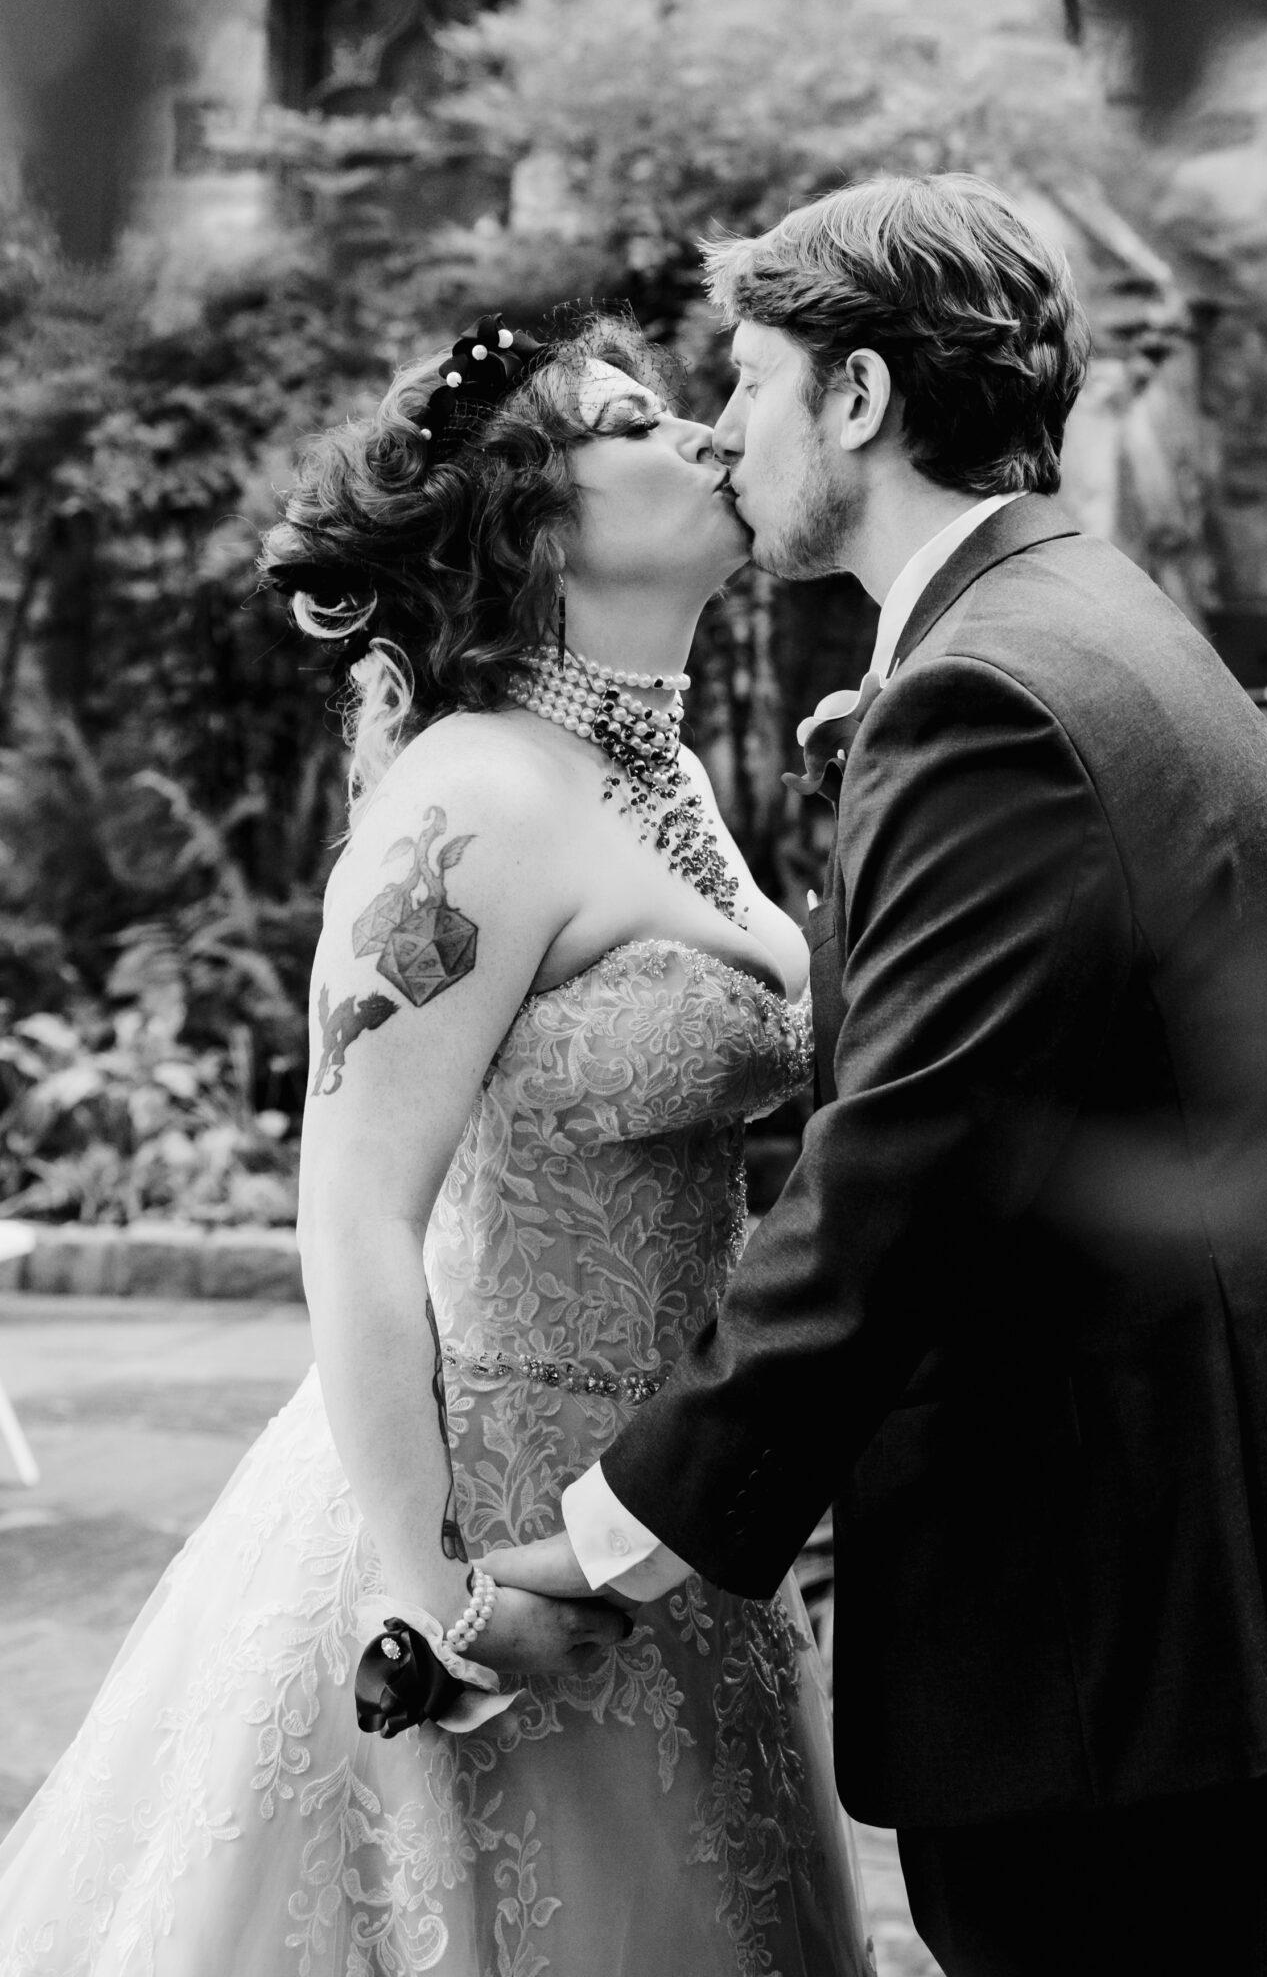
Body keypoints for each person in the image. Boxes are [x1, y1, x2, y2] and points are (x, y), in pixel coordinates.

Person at [488, 178, 1267, 1977]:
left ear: (859, 399)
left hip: (1085, 1579)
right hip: (1183, 1529)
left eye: (756, 380)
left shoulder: (988, 701)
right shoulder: (1066, 619)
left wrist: (612, 1540)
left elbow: (903, 1180)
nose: (723, 427)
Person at [0, 313, 868, 1977]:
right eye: (637, 420)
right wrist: (439, 1600)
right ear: (532, 524)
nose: (700, 436)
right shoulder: (467, 801)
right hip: (485, 1515)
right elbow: (351, 1222)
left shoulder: (654, 771)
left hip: (665, 1513)